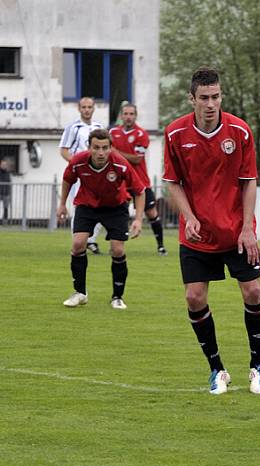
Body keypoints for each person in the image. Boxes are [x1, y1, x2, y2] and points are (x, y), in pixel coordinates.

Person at [163, 67, 260, 396]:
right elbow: (172, 183)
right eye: (204, 98)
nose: (211, 103)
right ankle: (217, 370)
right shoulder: (174, 134)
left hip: (236, 232)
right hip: (196, 235)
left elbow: (248, 181)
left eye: (216, 97)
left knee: (253, 292)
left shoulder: (240, 131)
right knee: (194, 297)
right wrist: (189, 216)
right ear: (192, 99)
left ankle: (257, 366)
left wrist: (248, 228)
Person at [56, 129, 144, 310]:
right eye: (96, 148)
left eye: (105, 148)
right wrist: (62, 204)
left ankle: (117, 297)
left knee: (117, 250)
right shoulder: (78, 162)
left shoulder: (120, 164)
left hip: (115, 207)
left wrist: (139, 219)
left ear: (111, 148)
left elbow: (139, 191)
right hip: (87, 206)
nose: (101, 153)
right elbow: (67, 180)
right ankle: (80, 293)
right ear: (89, 147)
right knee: (78, 244)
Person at [110, 104, 167, 255]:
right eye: (126, 113)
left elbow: (136, 159)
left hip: (140, 181)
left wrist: (116, 152)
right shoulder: (113, 132)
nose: (128, 116)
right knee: (116, 212)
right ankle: (114, 245)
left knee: (152, 214)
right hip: (121, 182)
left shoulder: (141, 134)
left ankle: (161, 246)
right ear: (121, 116)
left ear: (136, 116)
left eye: (131, 114)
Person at [60, 97, 105, 254]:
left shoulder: (99, 127)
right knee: (80, 207)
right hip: (81, 174)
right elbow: (64, 150)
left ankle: (90, 240)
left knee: (101, 205)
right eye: (84, 107)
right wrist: (77, 164)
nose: (86, 110)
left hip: (98, 174)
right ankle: (78, 242)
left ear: (94, 108)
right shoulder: (73, 127)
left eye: (89, 107)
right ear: (79, 109)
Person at [0, 157, 11, 225]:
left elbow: (9, 181)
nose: (4, 166)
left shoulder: (8, 173)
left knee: (6, 208)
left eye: (5, 164)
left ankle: (5, 222)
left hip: (6, 193)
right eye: (2, 164)